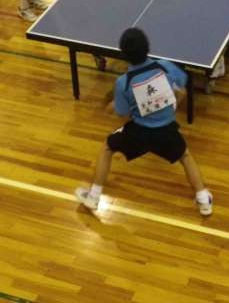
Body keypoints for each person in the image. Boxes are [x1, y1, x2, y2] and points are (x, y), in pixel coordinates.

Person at [75, 27, 213, 216]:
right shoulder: (165, 66)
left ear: (124, 55)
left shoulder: (123, 82)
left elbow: (122, 113)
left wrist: (113, 105)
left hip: (138, 132)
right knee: (186, 157)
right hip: (166, 131)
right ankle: (204, 200)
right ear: (148, 48)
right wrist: (174, 100)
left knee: (108, 147)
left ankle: (93, 197)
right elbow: (182, 86)